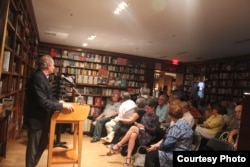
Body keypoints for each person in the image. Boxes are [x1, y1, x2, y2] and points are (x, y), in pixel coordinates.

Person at [24, 55, 74, 167]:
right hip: (36, 119)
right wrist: (61, 107)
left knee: (43, 143)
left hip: (42, 119)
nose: (54, 67)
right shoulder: (38, 77)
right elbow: (42, 102)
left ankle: (32, 165)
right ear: (47, 66)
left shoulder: (44, 77)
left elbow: (49, 97)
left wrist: (59, 102)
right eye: (53, 64)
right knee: (33, 148)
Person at [109, 98, 159, 166]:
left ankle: (119, 145)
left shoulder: (155, 117)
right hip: (141, 132)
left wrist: (143, 127)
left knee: (132, 128)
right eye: (146, 108)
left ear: (153, 108)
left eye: (148, 108)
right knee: (133, 135)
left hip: (148, 136)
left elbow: (154, 130)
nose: (146, 110)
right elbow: (141, 125)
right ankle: (128, 158)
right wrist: (138, 125)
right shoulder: (145, 114)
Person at [144, 101, 193, 167]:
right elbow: (168, 138)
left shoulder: (177, 127)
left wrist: (156, 147)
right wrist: (156, 145)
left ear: (170, 115)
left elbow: (166, 144)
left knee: (150, 155)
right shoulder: (185, 123)